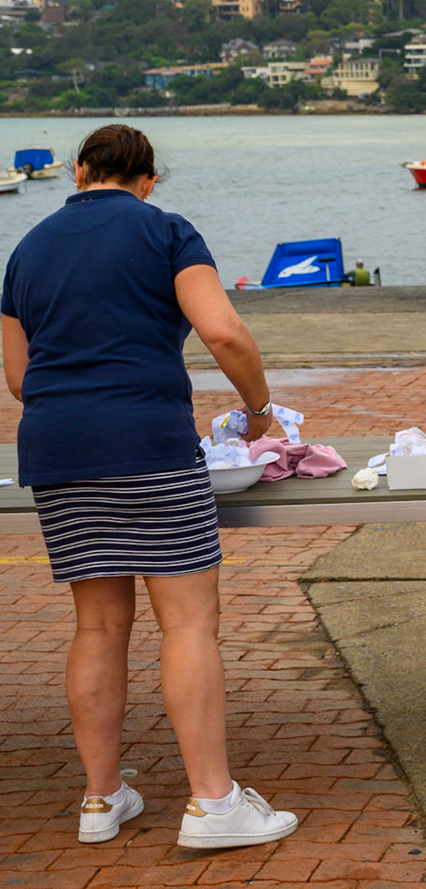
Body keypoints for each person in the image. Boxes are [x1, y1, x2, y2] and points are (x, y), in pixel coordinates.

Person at [0, 124, 299, 849]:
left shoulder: (27, 249)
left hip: (58, 451)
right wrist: (260, 411)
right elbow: (223, 332)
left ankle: (100, 799)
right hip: (148, 445)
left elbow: (18, 378)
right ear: (148, 180)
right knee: (189, 623)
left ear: (78, 172)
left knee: (98, 626)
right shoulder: (165, 230)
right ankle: (214, 805)